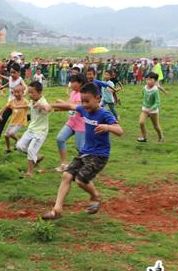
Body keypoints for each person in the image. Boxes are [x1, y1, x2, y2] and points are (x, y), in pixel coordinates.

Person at [43, 82, 124, 220]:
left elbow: (120, 131)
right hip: (85, 152)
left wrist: (107, 127)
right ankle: (57, 210)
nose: (84, 104)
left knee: (81, 180)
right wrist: (50, 105)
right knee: (66, 176)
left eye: (87, 101)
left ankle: (95, 196)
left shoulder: (104, 114)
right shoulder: (84, 110)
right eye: (82, 101)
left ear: (98, 98)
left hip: (99, 155)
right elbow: (69, 106)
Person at [14, 81, 51, 177]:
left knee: (31, 149)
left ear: (40, 92)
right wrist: (17, 106)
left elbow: (48, 109)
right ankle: (36, 157)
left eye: (32, 93)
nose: (30, 95)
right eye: (29, 92)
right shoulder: (32, 101)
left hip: (40, 132)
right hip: (31, 129)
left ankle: (29, 172)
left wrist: (41, 106)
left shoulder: (43, 102)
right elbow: (28, 105)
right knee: (19, 146)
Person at [55, 73, 86, 172]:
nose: (71, 84)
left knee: (80, 148)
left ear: (80, 83)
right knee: (60, 139)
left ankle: (87, 166)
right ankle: (64, 164)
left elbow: (72, 106)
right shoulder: (73, 93)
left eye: (73, 82)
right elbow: (68, 108)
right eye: (70, 82)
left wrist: (61, 103)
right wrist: (57, 109)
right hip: (71, 122)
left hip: (81, 124)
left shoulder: (84, 94)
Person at [0, 63, 28, 143]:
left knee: (9, 118)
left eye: (14, 72)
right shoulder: (11, 78)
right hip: (10, 103)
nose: (12, 74)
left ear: (19, 73)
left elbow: (26, 87)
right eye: (11, 72)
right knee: (3, 118)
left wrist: (24, 93)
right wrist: (3, 86)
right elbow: (9, 82)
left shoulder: (20, 80)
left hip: (17, 104)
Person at [137, 72, 164, 143]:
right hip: (145, 109)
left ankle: (160, 137)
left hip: (153, 111)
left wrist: (151, 109)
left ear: (155, 81)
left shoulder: (155, 90)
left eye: (151, 80)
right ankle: (144, 137)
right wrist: (145, 105)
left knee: (156, 126)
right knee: (141, 122)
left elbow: (157, 102)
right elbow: (143, 95)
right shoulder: (145, 88)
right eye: (147, 80)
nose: (148, 81)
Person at [2, 85, 29, 154]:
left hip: (20, 122)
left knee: (11, 133)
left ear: (23, 93)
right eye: (14, 92)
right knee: (6, 135)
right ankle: (8, 149)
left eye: (18, 92)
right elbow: (5, 107)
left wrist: (18, 106)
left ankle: (18, 140)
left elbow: (29, 106)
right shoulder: (12, 101)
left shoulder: (25, 101)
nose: (16, 94)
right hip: (12, 121)